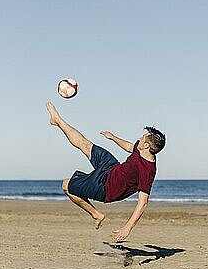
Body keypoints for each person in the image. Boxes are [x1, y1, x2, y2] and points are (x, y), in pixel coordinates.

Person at [45, 102, 166, 242]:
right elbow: (129, 147)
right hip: (111, 168)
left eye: (142, 137)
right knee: (86, 145)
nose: (139, 138)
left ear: (146, 145)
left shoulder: (148, 170)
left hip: (106, 188)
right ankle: (57, 120)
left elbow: (143, 202)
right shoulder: (141, 149)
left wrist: (127, 228)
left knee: (66, 185)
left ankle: (96, 214)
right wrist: (113, 137)